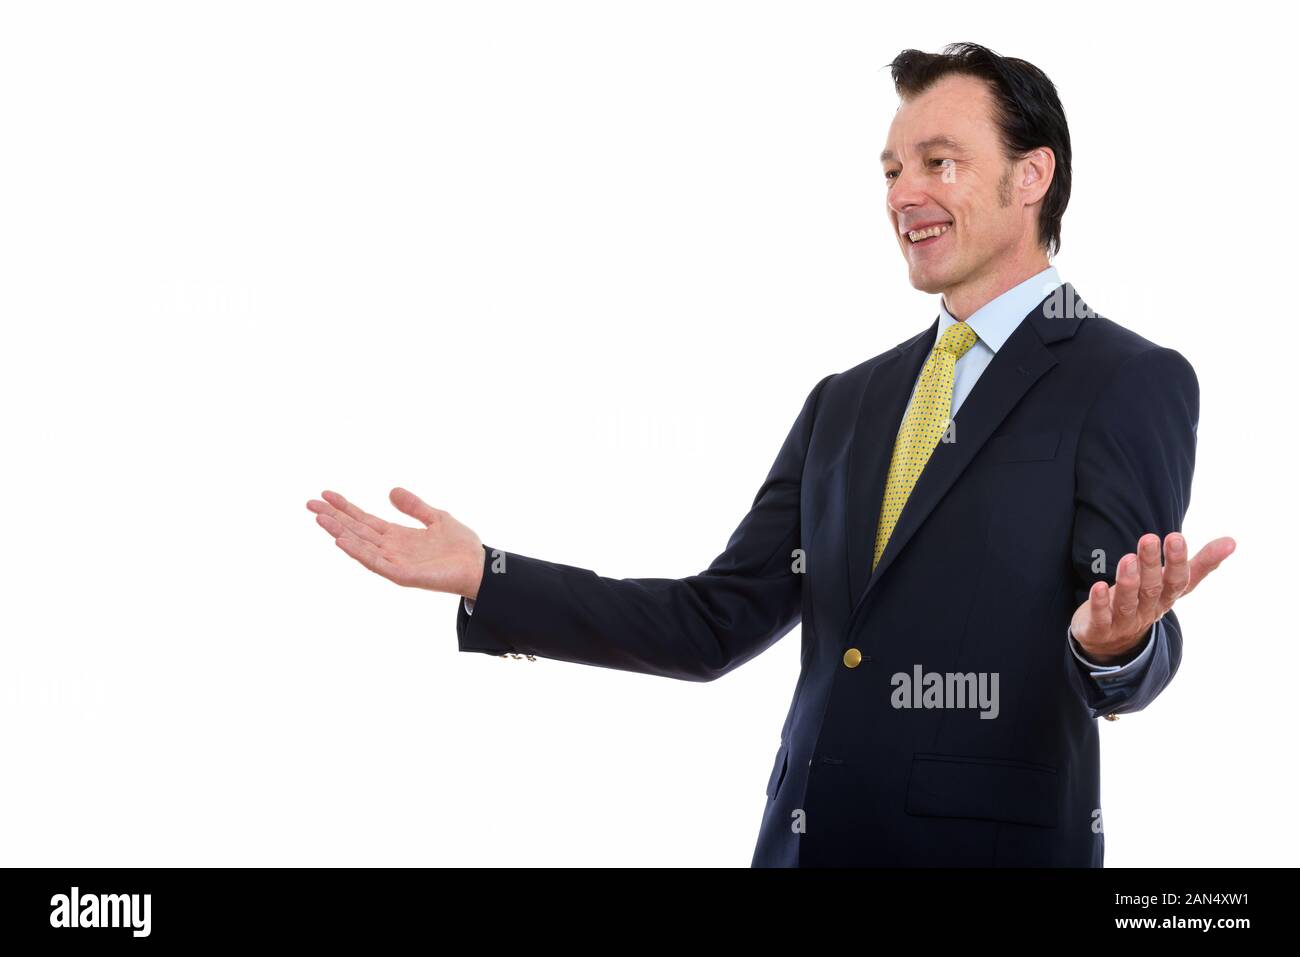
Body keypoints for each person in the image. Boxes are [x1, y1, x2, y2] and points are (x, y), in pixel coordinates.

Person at [306, 42, 1234, 866]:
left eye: (940, 163)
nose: (904, 193)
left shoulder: (1126, 378)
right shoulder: (849, 400)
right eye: (891, 169)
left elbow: (1128, 616)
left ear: (1031, 177)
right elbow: (713, 622)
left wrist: (1117, 646)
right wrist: (487, 573)